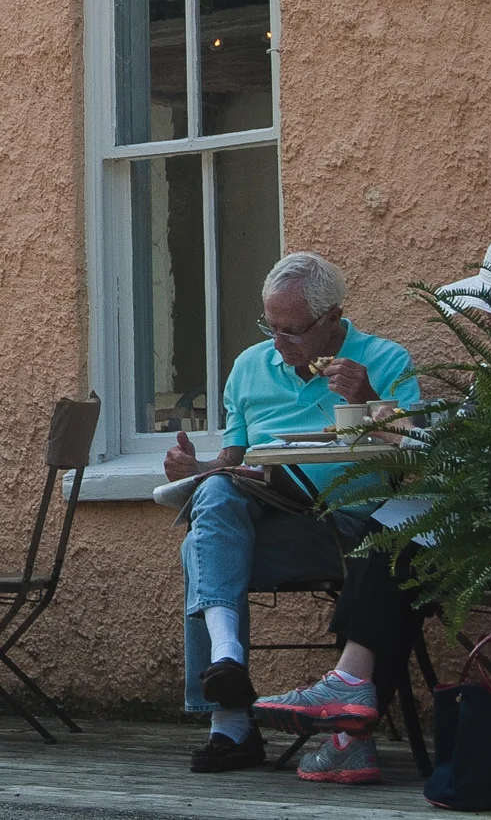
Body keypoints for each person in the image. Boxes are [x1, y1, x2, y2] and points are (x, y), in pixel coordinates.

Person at [251, 234, 491, 786]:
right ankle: (350, 715)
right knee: (397, 531)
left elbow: (485, 456)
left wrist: (400, 426)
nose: (479, 319)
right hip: (484, 516)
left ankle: (349, 713)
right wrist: (411, 425)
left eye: (487, 310)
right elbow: (466, 439)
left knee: (396, 534)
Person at [170, 252, 420, 773]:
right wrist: (196, 467)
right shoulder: (249, 367)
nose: (278, 343)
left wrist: (370, 397)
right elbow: (233, 459)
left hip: (348, 527)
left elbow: (412, 451)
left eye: (292, 331)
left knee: (199, 548)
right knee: (214, 494)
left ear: (331, 318)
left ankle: (231, 724)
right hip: (271, 515)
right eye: (271, 327)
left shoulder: (384, 360)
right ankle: (229, 663)